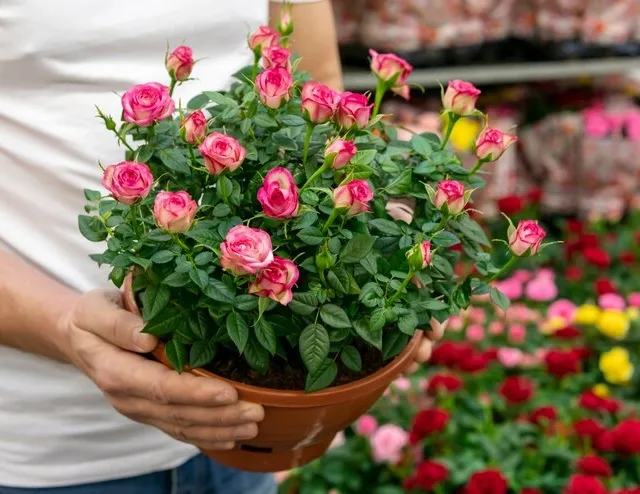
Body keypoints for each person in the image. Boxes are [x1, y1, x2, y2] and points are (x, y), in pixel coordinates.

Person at [0, 1, 442, 492]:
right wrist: (63, 327)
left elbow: (318, 84)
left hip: (249, 437)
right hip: (49, 446)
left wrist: (381, 225)